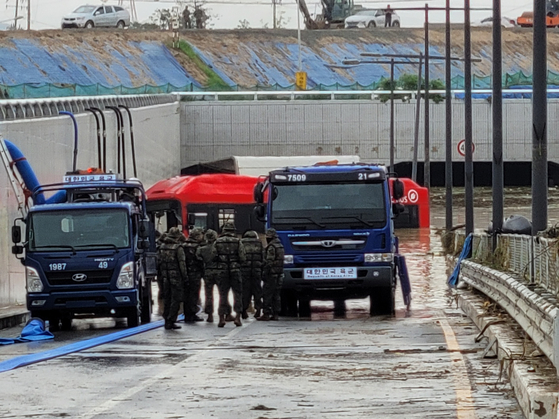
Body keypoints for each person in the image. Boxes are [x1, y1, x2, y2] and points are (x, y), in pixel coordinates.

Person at [213, 222, 246, 327]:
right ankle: (237, 318)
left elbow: (213, 257)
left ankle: (222, 318)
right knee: (238, 294)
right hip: (235, 270)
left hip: (222, 271)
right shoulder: (238, 242)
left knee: (223, 295)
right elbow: (242, 257)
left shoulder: (217, 242)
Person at [157, 227, 187, 330]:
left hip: (165, 277)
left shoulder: (162, 247)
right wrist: (185, 278)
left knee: (167, 299)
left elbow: (158, 262)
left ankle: (166, 319)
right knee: (176, 299)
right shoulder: (178, 248)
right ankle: (171, 320)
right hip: (176, 277)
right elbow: (182, 264)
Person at [257, 228, 285, 321]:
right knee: (276, 295)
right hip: (279, 273)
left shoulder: (272, 247)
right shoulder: (280, 245)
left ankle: (266, 313)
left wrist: (265, 271)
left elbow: (269, 261)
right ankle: (276, 313)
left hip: (271, 274)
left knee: (267, 294)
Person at [197, 229, 220, 323]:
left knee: (208, 294)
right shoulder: (219, 248)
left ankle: (210, 315)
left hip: (207, 272)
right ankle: (224, 314)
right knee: (223, 294)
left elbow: (198, 259)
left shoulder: (201, 249)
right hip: (219, 272)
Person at [182, 227, 205, 322]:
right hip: (195, 273)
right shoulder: (197, 247)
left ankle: (187, 313)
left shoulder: (183, 245)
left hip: (185, 273)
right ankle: (192, 314)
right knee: (194, 294)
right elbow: (200, 261)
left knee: (186, 294)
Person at [240, 230, 264, 319]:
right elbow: (263, 256)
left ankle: (243, 310)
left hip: (244, 270)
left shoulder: (241, 243)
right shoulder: (259, 243)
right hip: (256, 270)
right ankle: (258, 309)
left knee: (245, 291)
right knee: (257, 290)